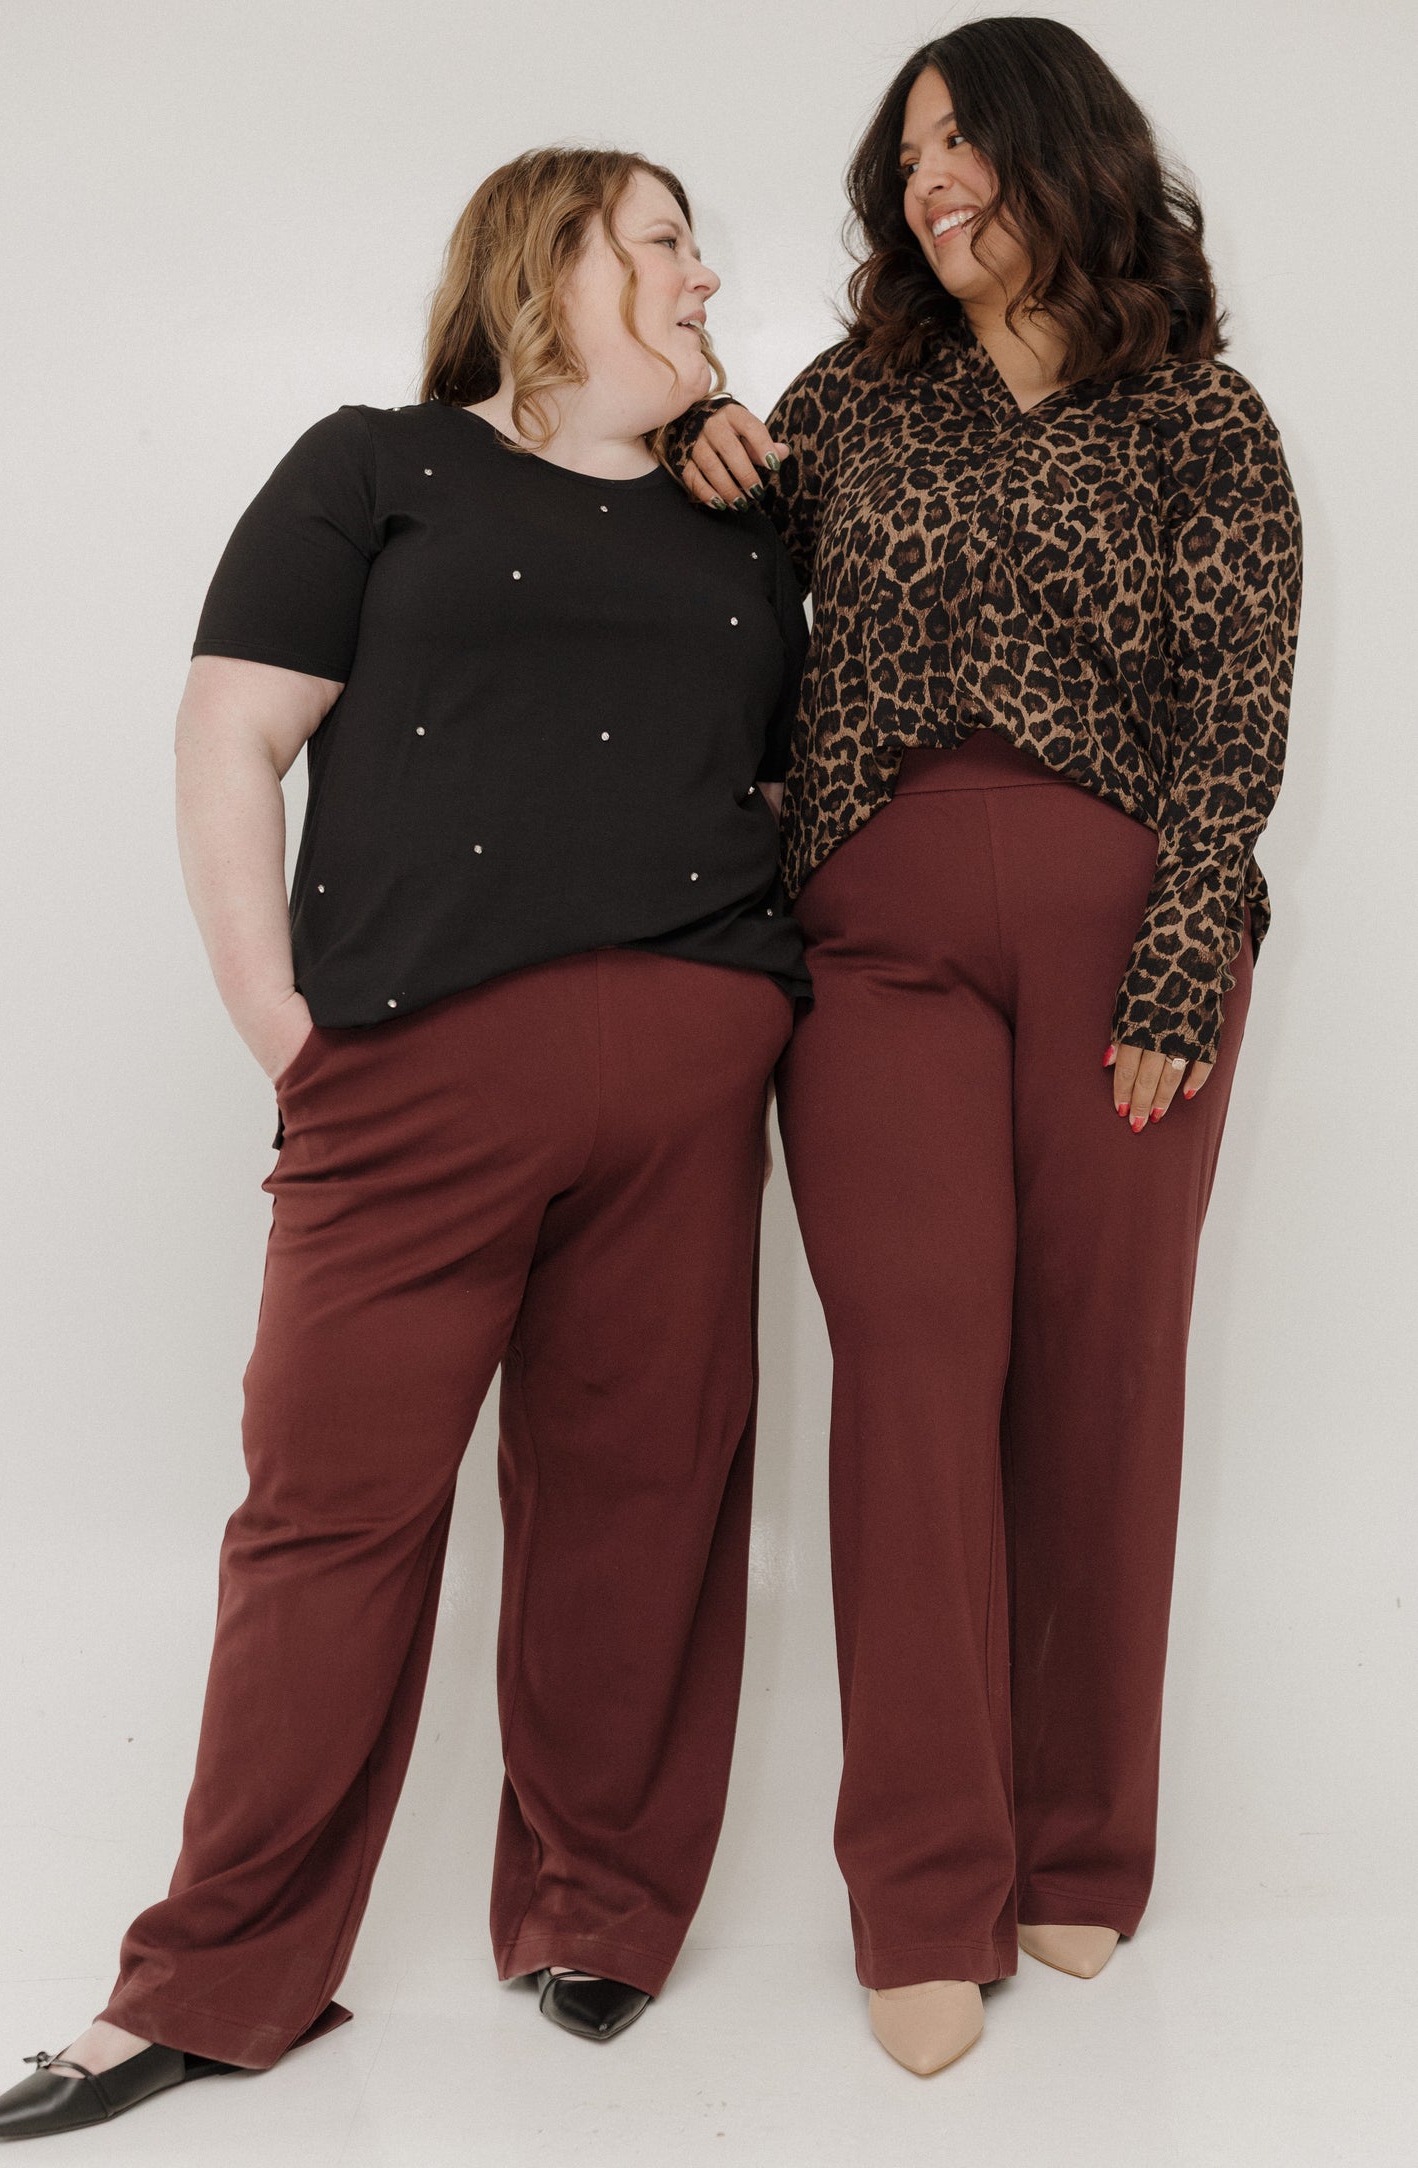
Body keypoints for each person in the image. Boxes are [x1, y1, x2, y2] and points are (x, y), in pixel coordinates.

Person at [0, 146, 810, 2142]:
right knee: (327, 1514)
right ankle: (213, 1975)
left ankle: (597, 1908)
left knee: (642, 1494)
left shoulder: (758, 517)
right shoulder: (376, 467)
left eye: (701, 242)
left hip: (692, 1058)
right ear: (552, 262)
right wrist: (282, 1020)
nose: (708, 272)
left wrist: (755, 461)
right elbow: (231, 735)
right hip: (412, 1069)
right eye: (667, 239)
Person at [671, 15, 1302, 2077]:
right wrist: (717, 471)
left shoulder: (1204, 419)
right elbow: (734, 619)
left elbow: (1236, 711)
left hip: (1140, 937)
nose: (931, 179)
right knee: (917, 1366)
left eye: (965, 142)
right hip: (885, 940)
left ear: (1062, 153)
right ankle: (923, 1884)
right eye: (909, 155)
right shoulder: (853, 398)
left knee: (1107, 1375)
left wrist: (1178, 957)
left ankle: (1086, 1847)